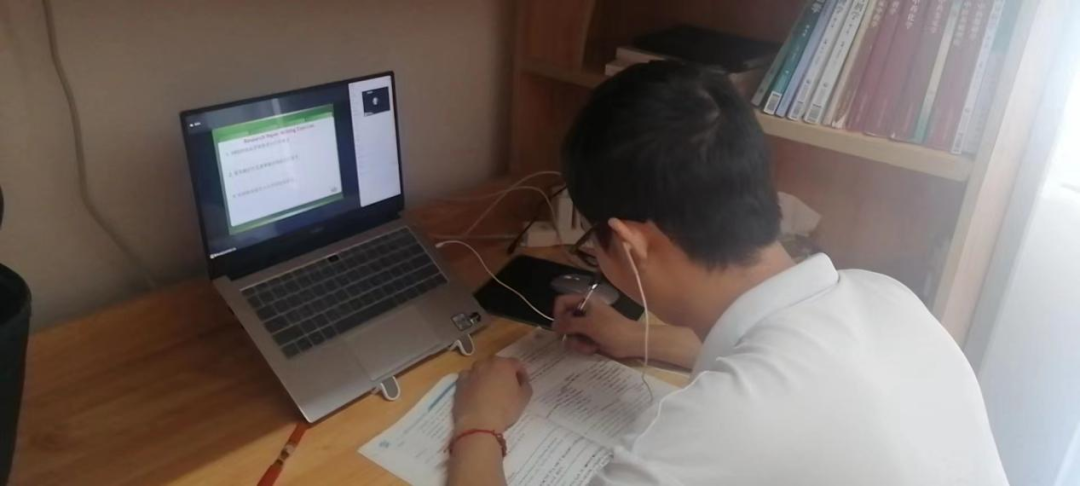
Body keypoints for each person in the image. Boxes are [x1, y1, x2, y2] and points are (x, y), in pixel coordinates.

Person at [446, 61, 1008, 485]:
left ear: (633, 243)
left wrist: (478, 425)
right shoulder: (885, 296)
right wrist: (633, 337)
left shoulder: (715, 427)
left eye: (594, 243)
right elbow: (780, 368)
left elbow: (757, 405)